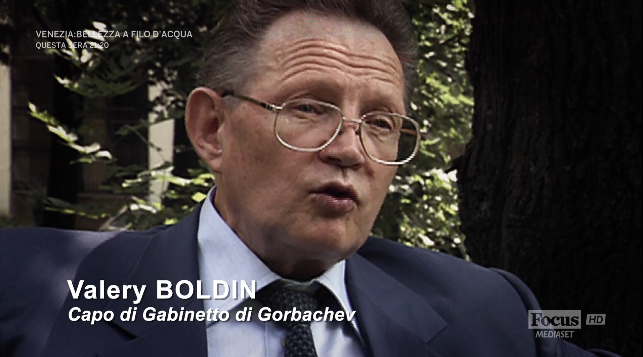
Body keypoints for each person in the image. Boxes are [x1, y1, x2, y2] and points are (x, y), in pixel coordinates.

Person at [0, 1, 621, 356]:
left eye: (380, 122)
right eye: (309, 108)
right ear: (212, 128)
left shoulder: (493, 314)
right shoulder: (29, 289)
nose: (351, 149)